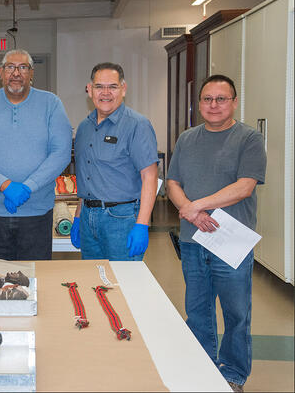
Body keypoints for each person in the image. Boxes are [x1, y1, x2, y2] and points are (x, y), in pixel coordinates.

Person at [166, 74, 266, 392]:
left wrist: (198, 206)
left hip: (231, 239)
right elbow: (173, 183)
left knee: (236, 311)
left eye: (221, 99)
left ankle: (234, 372)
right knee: (197, 308)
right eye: (207, 99)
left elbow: (244, 186)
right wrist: (189, 211)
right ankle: (202, 364)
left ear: (234, 102)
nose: (213, 105)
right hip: (192, 238)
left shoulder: (249, 138)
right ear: (199, 104)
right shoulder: (187, 139)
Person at [0, 49, 72, 261]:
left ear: (31, 73)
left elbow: (61, 153)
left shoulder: (51, 104)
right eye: (10, 67)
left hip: (37, 213)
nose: (16, 73)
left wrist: (28, 186)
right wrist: (5, 185)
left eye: (23, 68)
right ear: (1, 72)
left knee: (35, 278)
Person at [71, 62, 158, 261]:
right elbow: (88, 175)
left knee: (124, 284)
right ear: (89, 89)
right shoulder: (84, 127)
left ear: (123, 89)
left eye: (113, 86)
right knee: (95, 282)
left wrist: (142, 225)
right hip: (87, 217)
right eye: (99, 87)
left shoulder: (137, 125)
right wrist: (78, 216)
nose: (106, 93)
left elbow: (150, 176)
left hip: (121, 219)